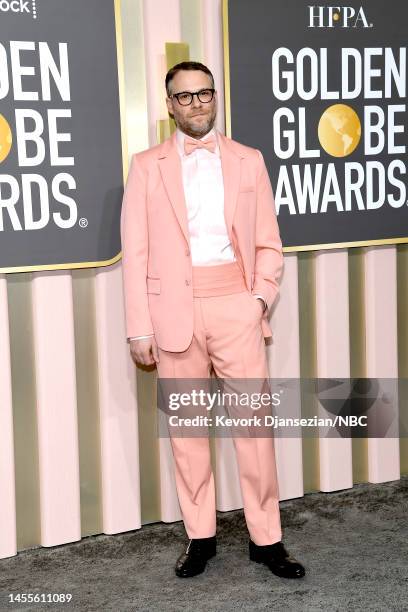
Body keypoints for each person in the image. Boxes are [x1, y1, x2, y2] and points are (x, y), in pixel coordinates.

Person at [120, 61, 305, 579]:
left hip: (235, 306)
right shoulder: (145, 165)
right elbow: (134, 254)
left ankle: (267, 540)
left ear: (215, 97)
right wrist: (139, 326)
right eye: (184, 97)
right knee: (187, 431)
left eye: (204, 94)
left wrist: (257, 302)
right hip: (171, 313)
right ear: (170, 105)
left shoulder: (249, 160)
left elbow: (270, 243)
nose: (196, 104)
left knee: (254, 430)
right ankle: (199, 537)